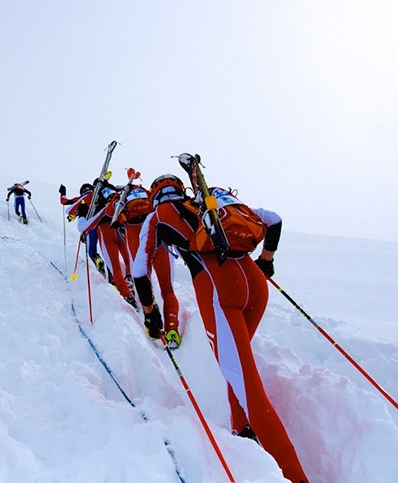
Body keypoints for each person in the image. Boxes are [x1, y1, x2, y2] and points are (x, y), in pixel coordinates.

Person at [131, 172, 309, 483]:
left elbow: (138, 270)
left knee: (247, 384)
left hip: (218, 289)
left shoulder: (158, 215)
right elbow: (274, 220)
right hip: (254, 282)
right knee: (237, 367)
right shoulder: (207, 201)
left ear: (153, 193)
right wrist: (265, 261)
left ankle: (295, 477)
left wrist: (150, 312)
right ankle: (242, 430)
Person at [107, 182, 181, 346]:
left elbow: (109, 214)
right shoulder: (147, 193)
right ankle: (172, 328)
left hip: (135, 237)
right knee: (168, 289)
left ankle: (151, 316)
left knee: (141, 277)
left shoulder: (121, 197)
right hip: (157, 233)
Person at [77, 181, 137, 308]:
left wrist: (80, 212)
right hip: (116, 225)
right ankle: (129, 277)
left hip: (102, 228)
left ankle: (127, 296)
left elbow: (68, 206)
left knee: (113, 265)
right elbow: (124, 187)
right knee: (127, 258)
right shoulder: (110, 192)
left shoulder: (90, 197)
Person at [60, 183, 105, 275]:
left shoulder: (80, 199)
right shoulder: (97, 196)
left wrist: (62, 192)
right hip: (102, 224)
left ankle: (97, 260)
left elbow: (64, 202)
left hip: (89, 227)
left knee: (91, 251)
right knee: (107, 250)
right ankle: (113, 273)